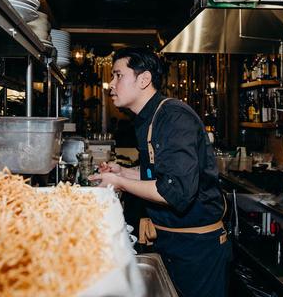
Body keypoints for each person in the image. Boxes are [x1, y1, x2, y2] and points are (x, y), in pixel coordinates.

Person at [89, 47, 230, 297]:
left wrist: (119, 182)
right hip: (172, 241)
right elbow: (159, 172)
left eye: (118, 75)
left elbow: (175, 191)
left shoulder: (173, 118)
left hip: (196, 249)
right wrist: (125, 171)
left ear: (144, 79)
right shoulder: (148, 117)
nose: (110, 84)